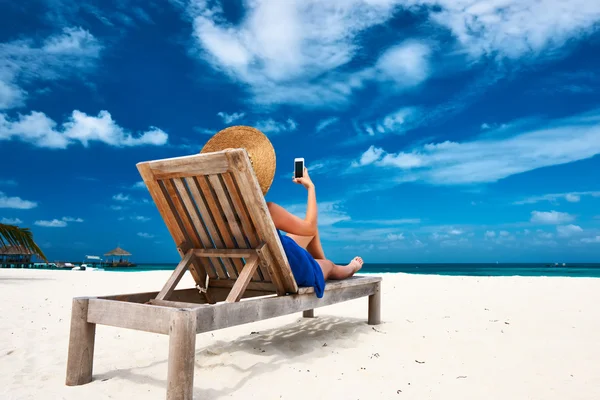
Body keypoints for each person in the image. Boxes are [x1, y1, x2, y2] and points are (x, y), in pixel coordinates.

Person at [266, 166, 364, 298]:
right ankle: (347, 268)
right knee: (328, 264)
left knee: (310, 233)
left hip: (262, 266)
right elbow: (310, 226)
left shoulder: (228, 217)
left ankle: (323, 268)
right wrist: (310, 187)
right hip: (287, 269)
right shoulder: (268, 210)